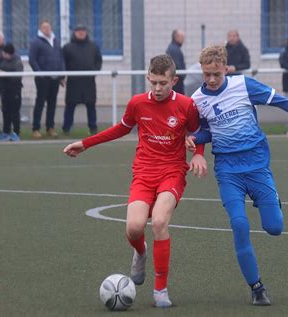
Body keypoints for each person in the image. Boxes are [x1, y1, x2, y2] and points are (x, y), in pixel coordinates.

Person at [186, 45, 288, 306]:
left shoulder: (243, 85)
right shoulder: (197, 99)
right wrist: (195, 139)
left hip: (256, 165)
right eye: (206, 74)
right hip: (228, 170)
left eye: (215, 74)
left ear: (226, 69)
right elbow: (208, 131)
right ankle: (257, 288)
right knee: (239, 224)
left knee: (274, 227)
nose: (210, 79)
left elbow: (282, 101)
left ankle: (271, 200)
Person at [63, 54, 207, 308]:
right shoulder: (138, 104)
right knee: (134, 228)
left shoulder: (186, 105)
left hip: (172, 172)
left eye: (163, 83)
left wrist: (197, 153)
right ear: (147, 79)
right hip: (143, 172)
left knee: (160, 221)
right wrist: (85, 144)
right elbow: (120, 128)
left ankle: (160, 290)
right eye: (153, 82)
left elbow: (198, 132)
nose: (158, 88)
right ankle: (141, 253)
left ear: (175, 80)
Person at [62, 24, 102, 135]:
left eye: (83, 30)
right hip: (73, 82)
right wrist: (62, 77)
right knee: (70, 105)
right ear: (74, 32)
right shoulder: (67, 47)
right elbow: (63, 63)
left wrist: (95, 71)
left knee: (91, 105)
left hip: (89, 82)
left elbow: (98, 60)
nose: (81, 33)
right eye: (78, 31)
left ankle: (93, 128)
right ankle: (66, 128)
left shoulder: (93, 46)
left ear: (86, 32)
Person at [29, 20, 64, 139]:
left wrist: (61, 76)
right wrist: (40, 74)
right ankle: (36, 128)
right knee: (40, 103)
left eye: (48, 27)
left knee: (52, 103)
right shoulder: (36, 42)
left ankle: (50, 127)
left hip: (55, 79)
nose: (46, 29)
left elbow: (60, 58)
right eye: (44, 27)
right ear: (40, 29)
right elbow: (32, 60)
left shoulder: (56, 41)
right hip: (43, 79)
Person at [0, 43, 23, 142]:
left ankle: (16, 133)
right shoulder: (3, 60)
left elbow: (17, 77)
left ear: (8, 53)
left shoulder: (17, 62)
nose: (2, 55)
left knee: (14, 113)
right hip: (5, 90)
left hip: (15, 91)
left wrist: (3, 73)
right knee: (5, 111)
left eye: (4, 53)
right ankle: (6, 132)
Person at [165, 29, 185, 94]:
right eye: (182, 37)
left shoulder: (173, 48)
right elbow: (177, 65)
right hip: (177, 83)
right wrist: (183, 75)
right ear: (176, 37)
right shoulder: (174, 50)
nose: (183, 39)